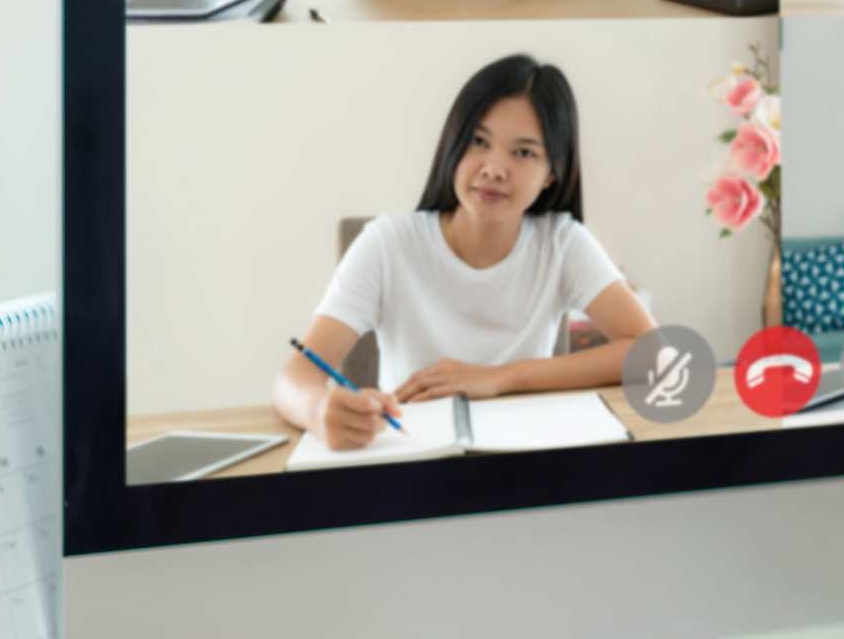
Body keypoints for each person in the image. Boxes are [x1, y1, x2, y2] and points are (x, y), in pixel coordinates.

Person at [274, 55, 658, 449]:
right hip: (414, 457)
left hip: (522, 457)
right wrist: (319, 412)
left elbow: (654, 353)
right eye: (478, 141)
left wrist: (499, 377)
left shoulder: (561, 242)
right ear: (453, 144)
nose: (493, 169)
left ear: (553, 174)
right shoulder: (387, 244)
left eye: (523, 152)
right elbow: (293, 378)